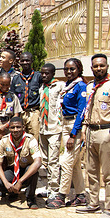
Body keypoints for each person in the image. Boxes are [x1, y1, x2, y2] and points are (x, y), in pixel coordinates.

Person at [78, 54, 110, 218]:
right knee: (91, 170)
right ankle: (92, 203)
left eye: (101, 65)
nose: (98, 68)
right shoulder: (91, 86)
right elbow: (87, 109)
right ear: (91, 68)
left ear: (107, 66)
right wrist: (84, 129)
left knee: (108, 173)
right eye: (96, 66)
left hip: (106, 132)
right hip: (91, 131)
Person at [46, 58, 88, 209]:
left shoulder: (81, 86)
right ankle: (81, 195)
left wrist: (73, 134)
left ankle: (61, 196)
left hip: (73, 127)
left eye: (72, 69)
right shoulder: (69, 86)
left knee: (66, 162)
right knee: (75, 164)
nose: (69, 72)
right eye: (66, 69)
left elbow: (81, 112)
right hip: (65, 123)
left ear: (79, 69)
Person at [0, 117, 42, 209]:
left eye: (18, 127)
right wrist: (5, 182)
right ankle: (12, 192)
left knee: (34, 171)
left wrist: (20, 181)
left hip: (26, 170)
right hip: (12, 170)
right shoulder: (4, 141)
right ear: (9, 128)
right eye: (13, 127)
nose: (16, 130)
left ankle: (31, 198)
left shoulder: (30, 140)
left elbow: (38, 162)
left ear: (23, 127)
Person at [38, 63, 65, 203]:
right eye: (42, 73)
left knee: (54, 160)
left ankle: (55, 190)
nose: (44, 75)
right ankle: (48, 187)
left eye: (47, 73)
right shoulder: (42, 88)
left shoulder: (60, 86)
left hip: (54, 128)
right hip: (43, 128)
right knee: (46, 160)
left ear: (53, 73)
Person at [10, 52, 42, 140]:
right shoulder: (16, 79)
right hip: (20, 112)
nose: (25, 63)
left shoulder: (38, 77)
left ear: (32, 61)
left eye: (27, 60)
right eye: (22, 61)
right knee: (19, 138)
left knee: (34, 138)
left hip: (33, 112)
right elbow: (12, 96)